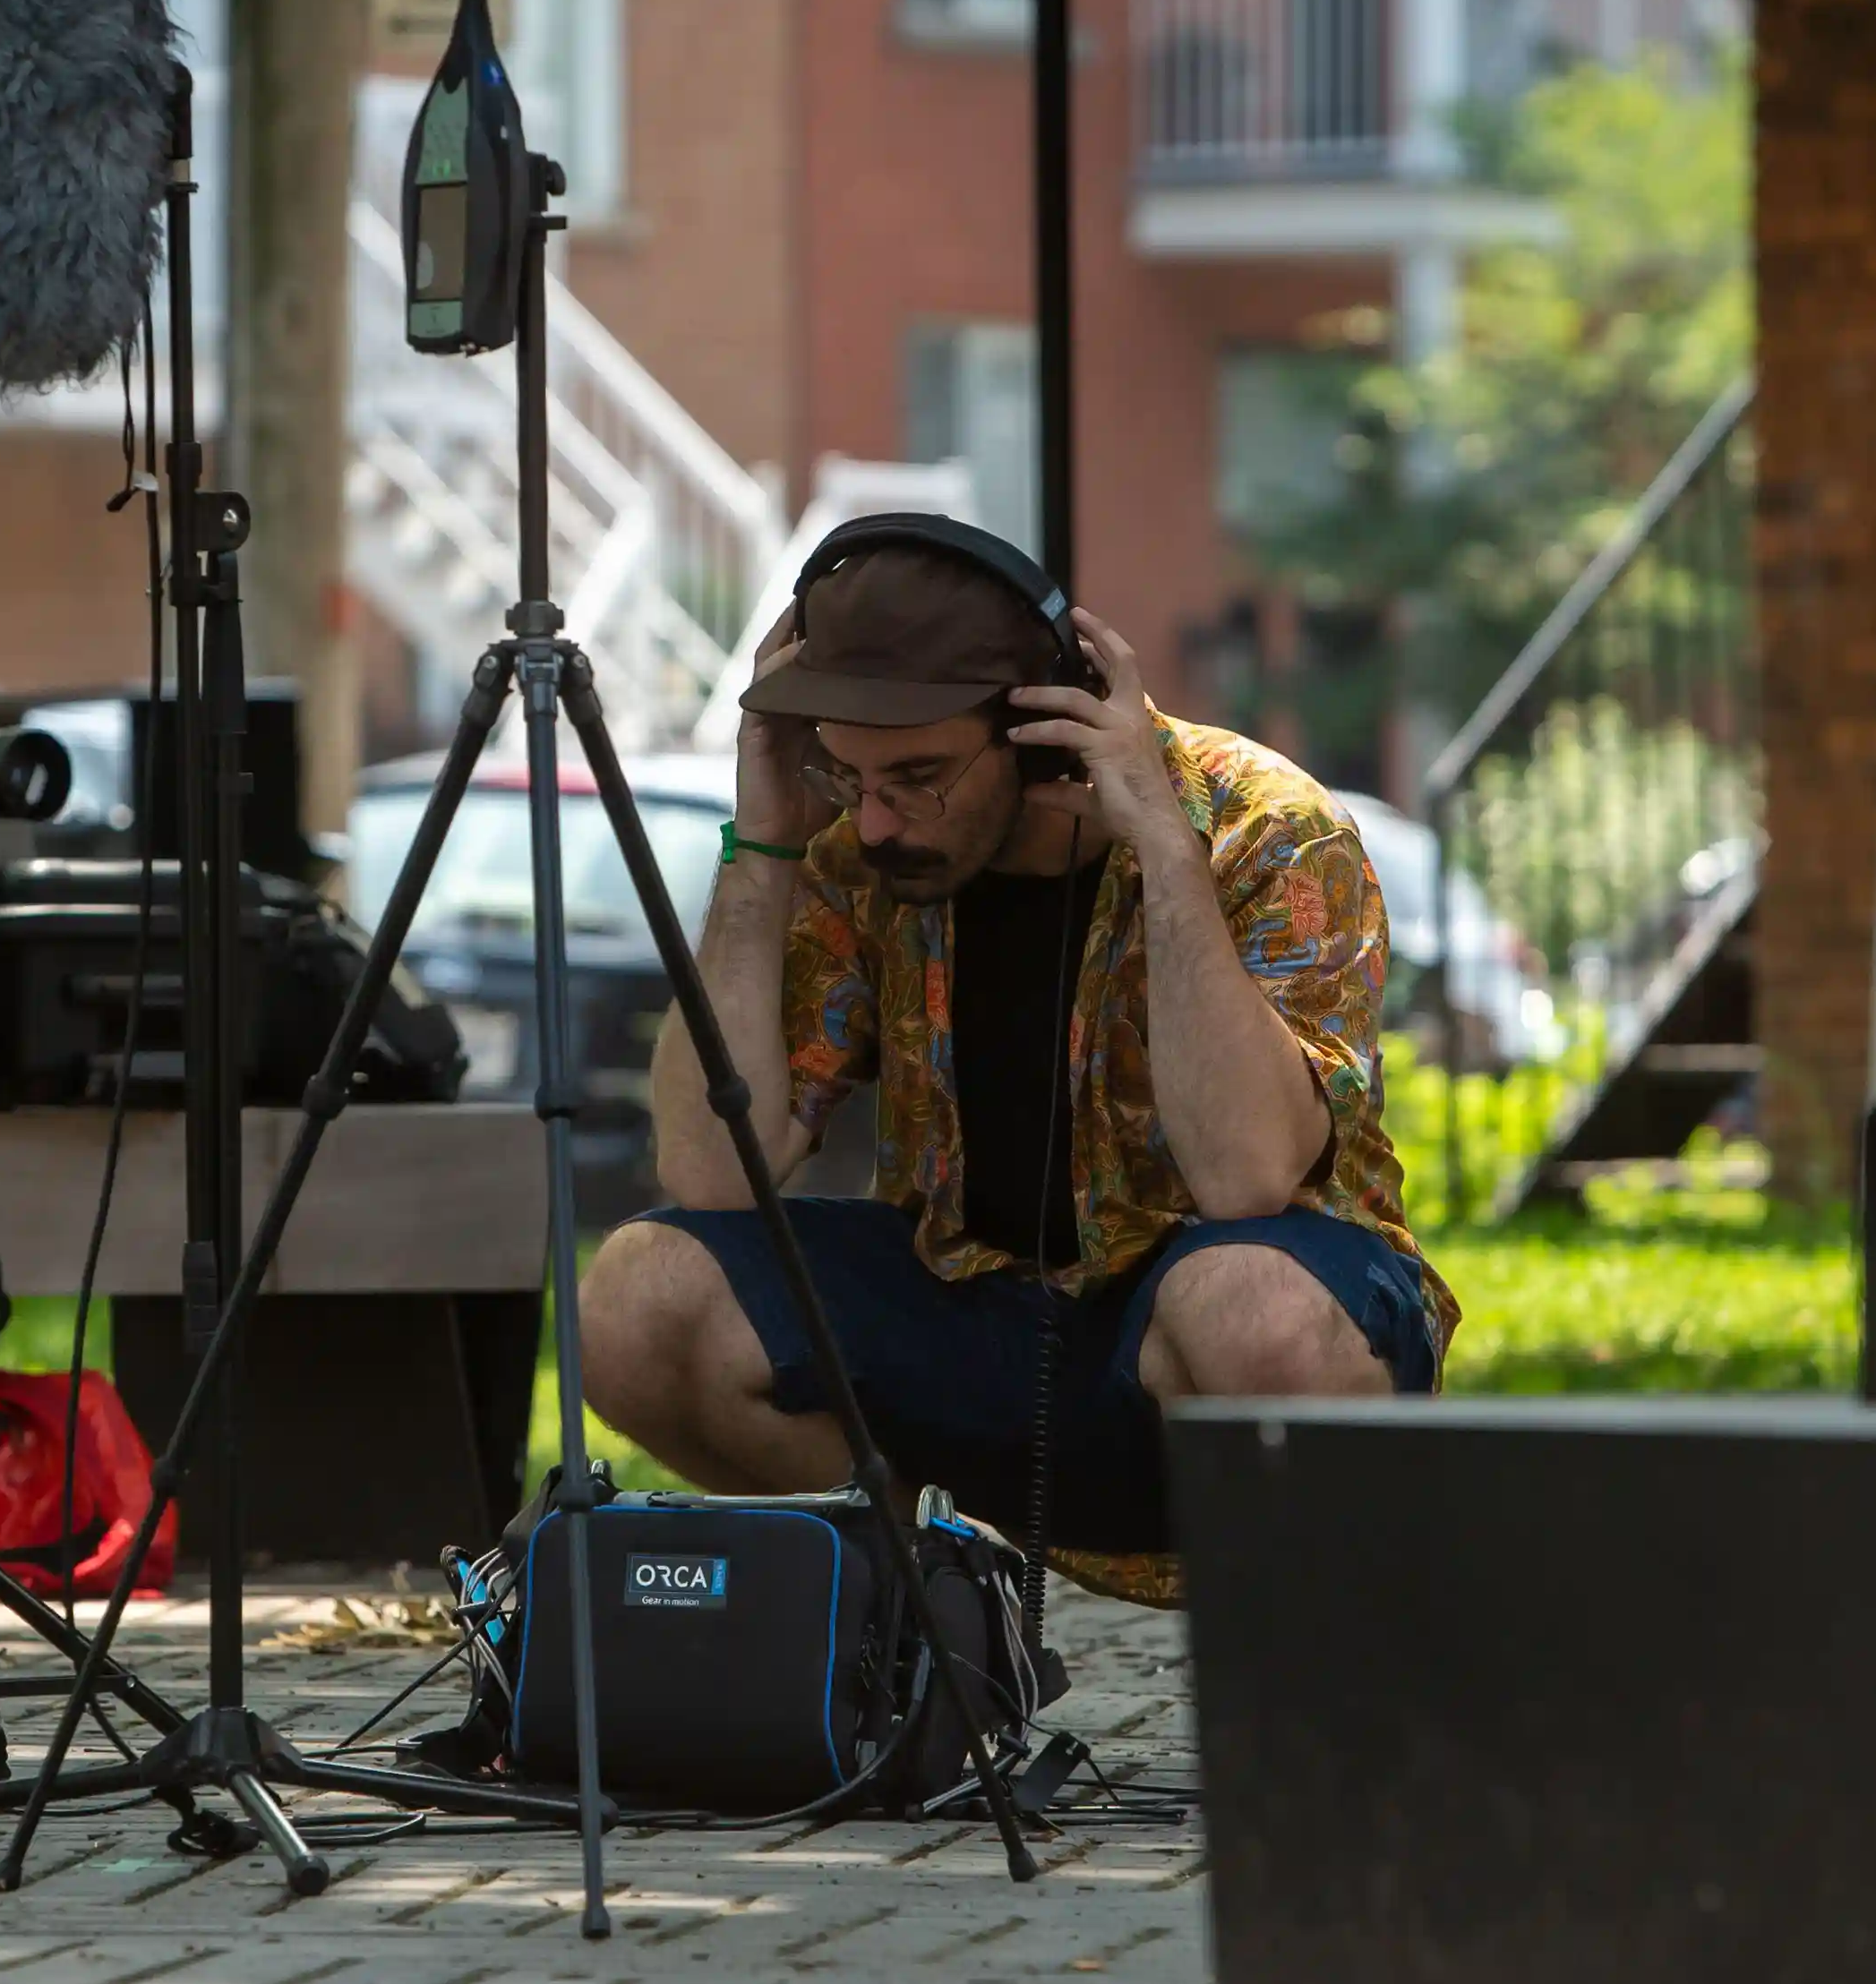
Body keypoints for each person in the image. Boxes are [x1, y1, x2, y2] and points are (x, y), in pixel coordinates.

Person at [578, 521, 1455, 1561]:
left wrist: (1163, 850)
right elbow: (712, 1171)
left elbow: (1249, 1175)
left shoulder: (1267, 827)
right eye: (852, 777)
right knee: (639, 1294)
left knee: (1246, 1305)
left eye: (920, 776)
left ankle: (1298, 1662)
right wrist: (762, 844)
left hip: (1223, 1327)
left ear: (1044, 728)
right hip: (968, 1307)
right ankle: (930, 1622)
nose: (878, 824)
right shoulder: (847, 847)